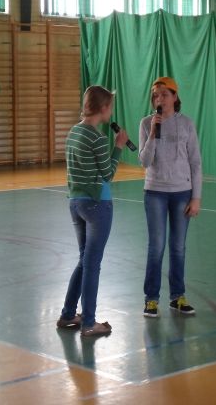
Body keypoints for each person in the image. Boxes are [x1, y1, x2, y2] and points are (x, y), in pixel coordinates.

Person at [57, 85, 128, 337]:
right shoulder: (97, 138)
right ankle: (89, 322)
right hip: (97, 204)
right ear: (104, 108)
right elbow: (107, 173)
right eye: (110, 106)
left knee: (84, 260)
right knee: (92, 264)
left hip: (76, 203)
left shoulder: (73, 132)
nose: (111, 111)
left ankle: (68, 314)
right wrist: (118, 146)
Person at [138, 76, 202, 318]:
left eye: (165, 94)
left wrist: (196, 197)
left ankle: (177, 297)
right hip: (155, 191)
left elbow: (195, 162)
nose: (160, 99)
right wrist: (154, 132)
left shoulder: (186, 124)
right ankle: (151, 299)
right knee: (156, 246)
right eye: (156, 95)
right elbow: (145, 161)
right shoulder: (146, 123)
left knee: (178, 247)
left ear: (175, 97)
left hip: (182, 193)